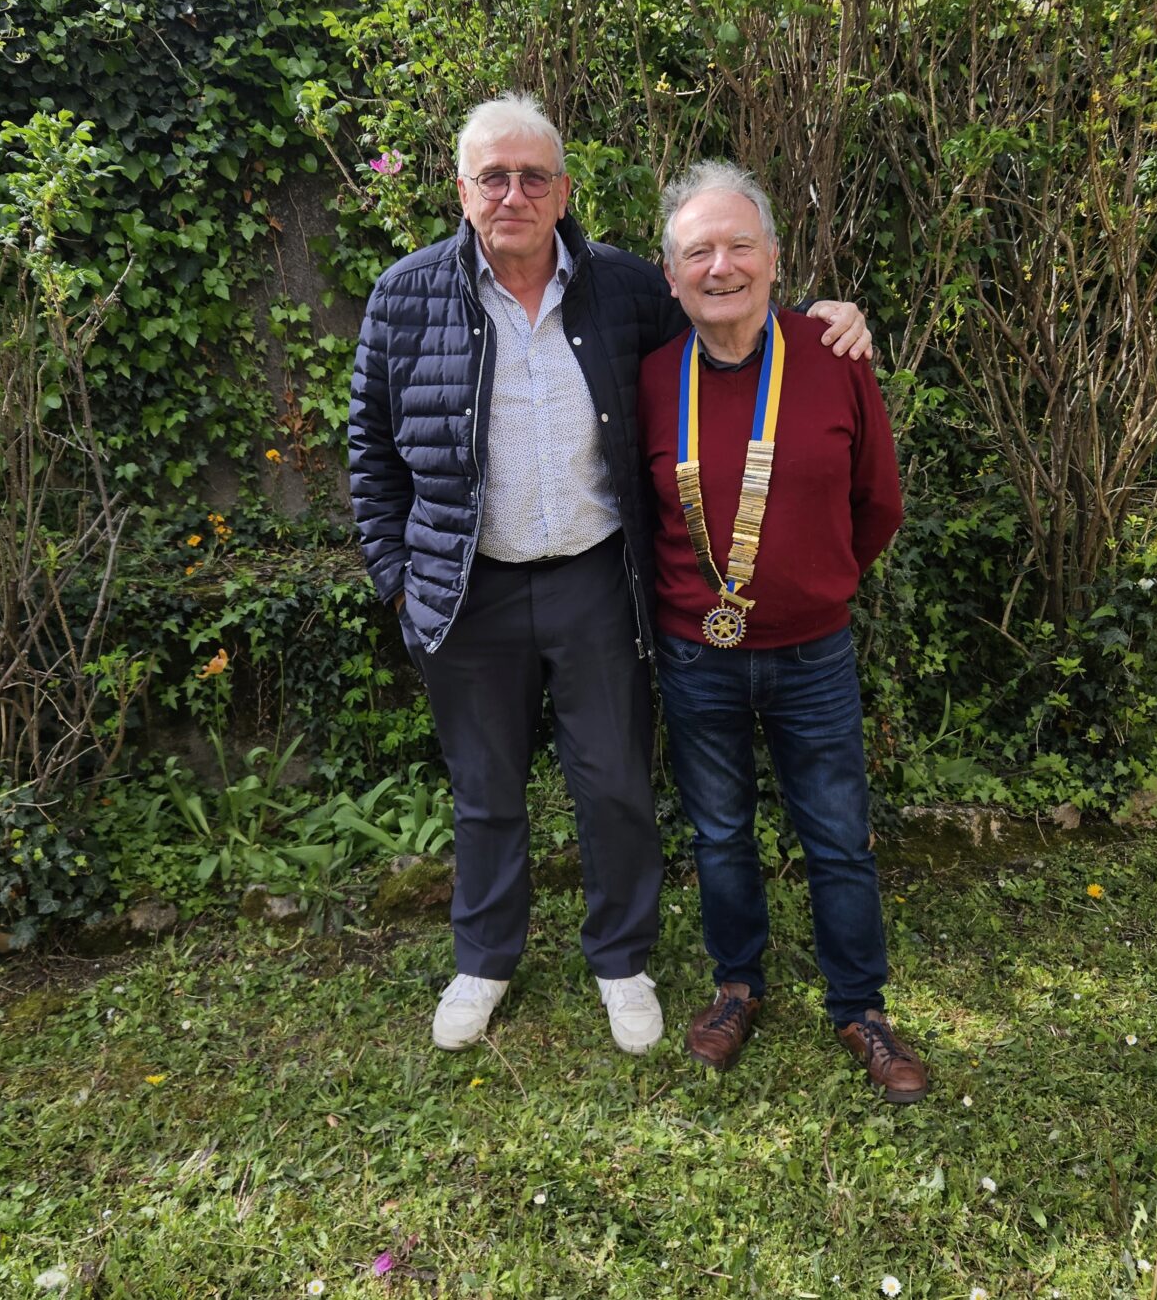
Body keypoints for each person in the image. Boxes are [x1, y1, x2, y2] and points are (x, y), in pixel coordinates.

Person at [348, 96, 872, 1056]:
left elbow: (730, 324)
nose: (513, 195)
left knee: (616, 782)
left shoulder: (623, 287)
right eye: (493, 177)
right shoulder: (404, 296)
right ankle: (484, 960)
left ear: (564, 191)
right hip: (467, 587)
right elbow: (370, 454)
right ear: (462, 191)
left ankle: (622, 960)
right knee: (485, 788)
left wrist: (828, 319)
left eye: (533, 177)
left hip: (595, 579)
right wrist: (399, 580)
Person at [637, 160, 929, 1102]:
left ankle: (861, 1007)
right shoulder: (651, 378)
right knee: (720, 833)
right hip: (698, 655)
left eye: (739, 246)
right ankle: (737, 987)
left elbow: (879, 502)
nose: (719, 266)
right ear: (671, 274)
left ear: (772, 256)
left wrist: (817, 586)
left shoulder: (834, 355)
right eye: (697, 252)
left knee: (837, 836)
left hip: (813, 654)